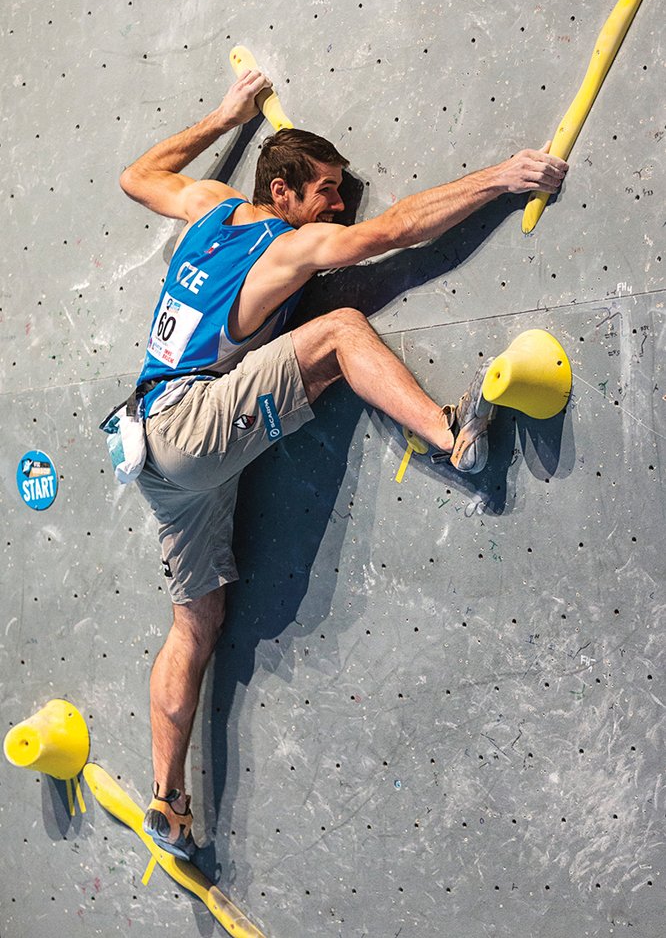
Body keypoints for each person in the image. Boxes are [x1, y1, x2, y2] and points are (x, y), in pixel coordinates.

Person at [115, 68, 568, 859]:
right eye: (325, 189)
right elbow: (393, 232)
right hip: (192, 421)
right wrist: (502, 176)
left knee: (196, 621)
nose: (337, 206)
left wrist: (225, 116)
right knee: (340, 329)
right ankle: (452, 434)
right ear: (283, 189)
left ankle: (169, 800)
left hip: (147, 446)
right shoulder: (286, 245)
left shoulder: (208, 208)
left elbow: (137, 176)